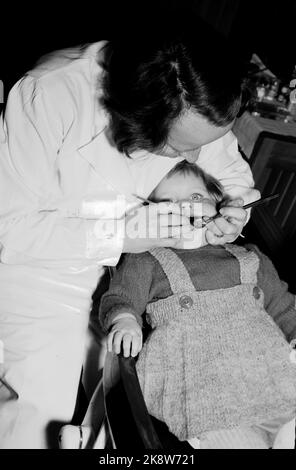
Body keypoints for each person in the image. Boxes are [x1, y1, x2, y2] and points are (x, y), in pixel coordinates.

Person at [0, 19, 259, 448]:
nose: (195, 156)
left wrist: (233, 211)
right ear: (141, 112)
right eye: (179, 149)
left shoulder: (197, 100)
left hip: (145, 277)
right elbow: (11, 230)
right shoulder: (51, 93)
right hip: (46, 276)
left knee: (159, 410)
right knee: (42, 417)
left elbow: (231, 177)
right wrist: (118, 237)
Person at [99, 161, 296, 449]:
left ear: (219, 204)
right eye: (167, 203)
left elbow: (282, 304)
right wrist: (125, 320)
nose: (183, 208)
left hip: (272, 380)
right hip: (206, 396)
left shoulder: (250, 257)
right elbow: (121, 296)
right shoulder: (147, 260)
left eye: (194, 198)